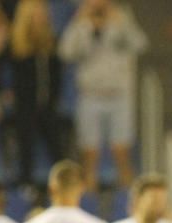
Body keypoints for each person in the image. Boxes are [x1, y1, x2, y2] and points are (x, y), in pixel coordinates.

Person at [58, 0, 147, 191]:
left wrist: (121, 23)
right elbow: (65, 52)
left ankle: (128, 201)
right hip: (91, 95)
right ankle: (88, 201)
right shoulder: (81, 22)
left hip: (118, 95)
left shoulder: (121, 18)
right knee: (90, 155)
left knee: (122, 152)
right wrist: (79, 22)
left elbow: (140, 44)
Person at [10, 0, 64, 190]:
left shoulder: (51, 42)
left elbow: (57, 74)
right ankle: (26, 186)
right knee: (26, 147)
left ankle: (62, 185)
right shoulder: (17, 45)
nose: (42, 16)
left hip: (48, 104)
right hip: (26, 105)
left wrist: (54, 97)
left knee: (57, 149)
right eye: (37, 12)